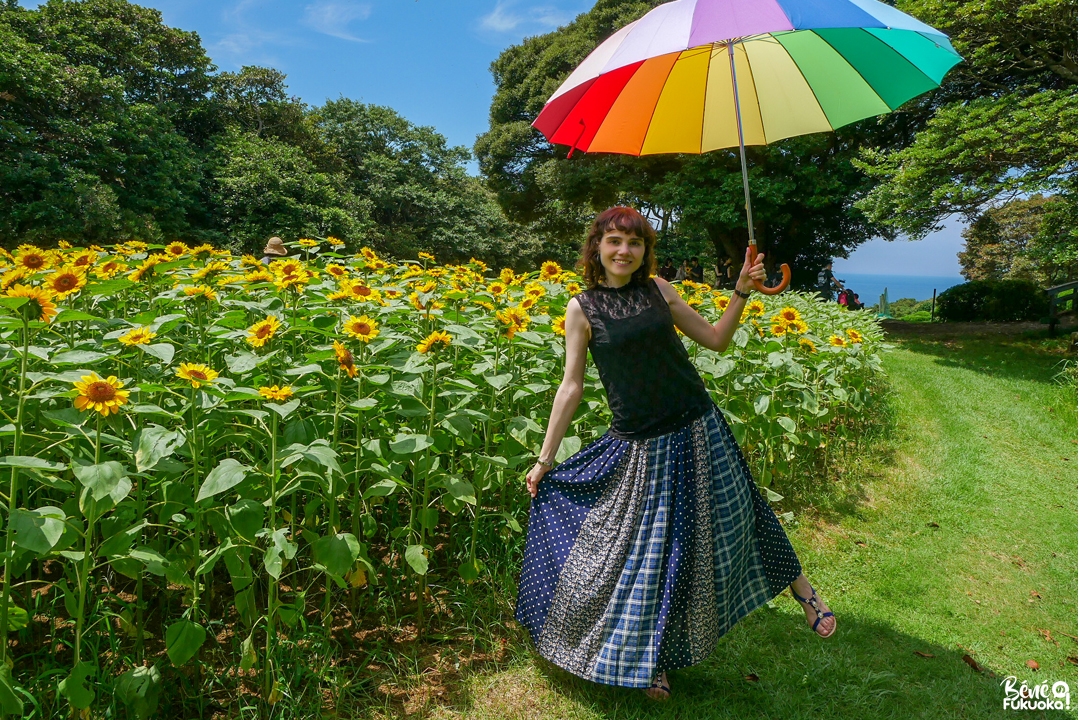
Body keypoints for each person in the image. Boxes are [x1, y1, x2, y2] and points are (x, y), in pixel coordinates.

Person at [517, 206, 836, 703]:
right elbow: (571, 386)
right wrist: (545, 458)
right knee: (655, 556)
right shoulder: (582, 309)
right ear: (597, 247)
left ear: (646, 251)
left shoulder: (660, 290)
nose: (624, 251)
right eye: (615, 241)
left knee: (744, 513)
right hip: (641, 446)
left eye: (635, 242)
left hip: (698, 426)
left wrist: (742, 292)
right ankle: (655, 660)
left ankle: (805, 593)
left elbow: (716, 339)